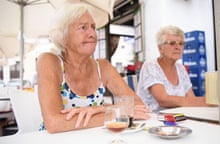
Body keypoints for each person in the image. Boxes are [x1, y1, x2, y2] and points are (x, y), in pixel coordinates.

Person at [36, 2, 150, 133]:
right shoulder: (49, 61)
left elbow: (139, 106)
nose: (92, 34)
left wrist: (100, 109)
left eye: (93, 27)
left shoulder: (103, 67)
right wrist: (114, 114)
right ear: (64, 35)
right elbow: (54, 123)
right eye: (83, 27)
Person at [136, 25, 209, 113]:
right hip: (153, 119)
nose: (178, 47)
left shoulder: (180, 68)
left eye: (181, 43)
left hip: (179, 118)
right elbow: (163, 100)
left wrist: (203, 102)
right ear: (160, 48)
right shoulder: (151, 66)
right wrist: (203, 101)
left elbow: (191, 98)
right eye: (172, 43)